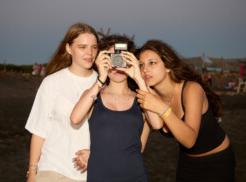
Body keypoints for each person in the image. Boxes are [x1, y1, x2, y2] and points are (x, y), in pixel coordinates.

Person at [136, 40, 236, 182]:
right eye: (141, 65)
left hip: (217, 161)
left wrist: (160, 108)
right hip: (187, 162)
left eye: (152, 63)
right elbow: (140, 143)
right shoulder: (150, 98)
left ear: (168, 67)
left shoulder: (191, 90)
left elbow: (189, 140)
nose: (145, 69)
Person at [70, 35, 163, 182]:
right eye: (112, 57)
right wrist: (100, 78)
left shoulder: (142, 97)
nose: (118, 64)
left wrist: (139, 78)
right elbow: (75, 118)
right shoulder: (93, 95)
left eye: (123, 57)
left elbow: (157, 124)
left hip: (136, 176)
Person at [25, 23, 99, 182]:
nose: (89, 53)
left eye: (94, 47)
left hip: (91, 173)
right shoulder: (51, 83)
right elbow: (39, 131)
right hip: (53, 169)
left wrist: (97, 154)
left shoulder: (103, 83)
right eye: (82, 47)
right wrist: (32, 171)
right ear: (68, 48)